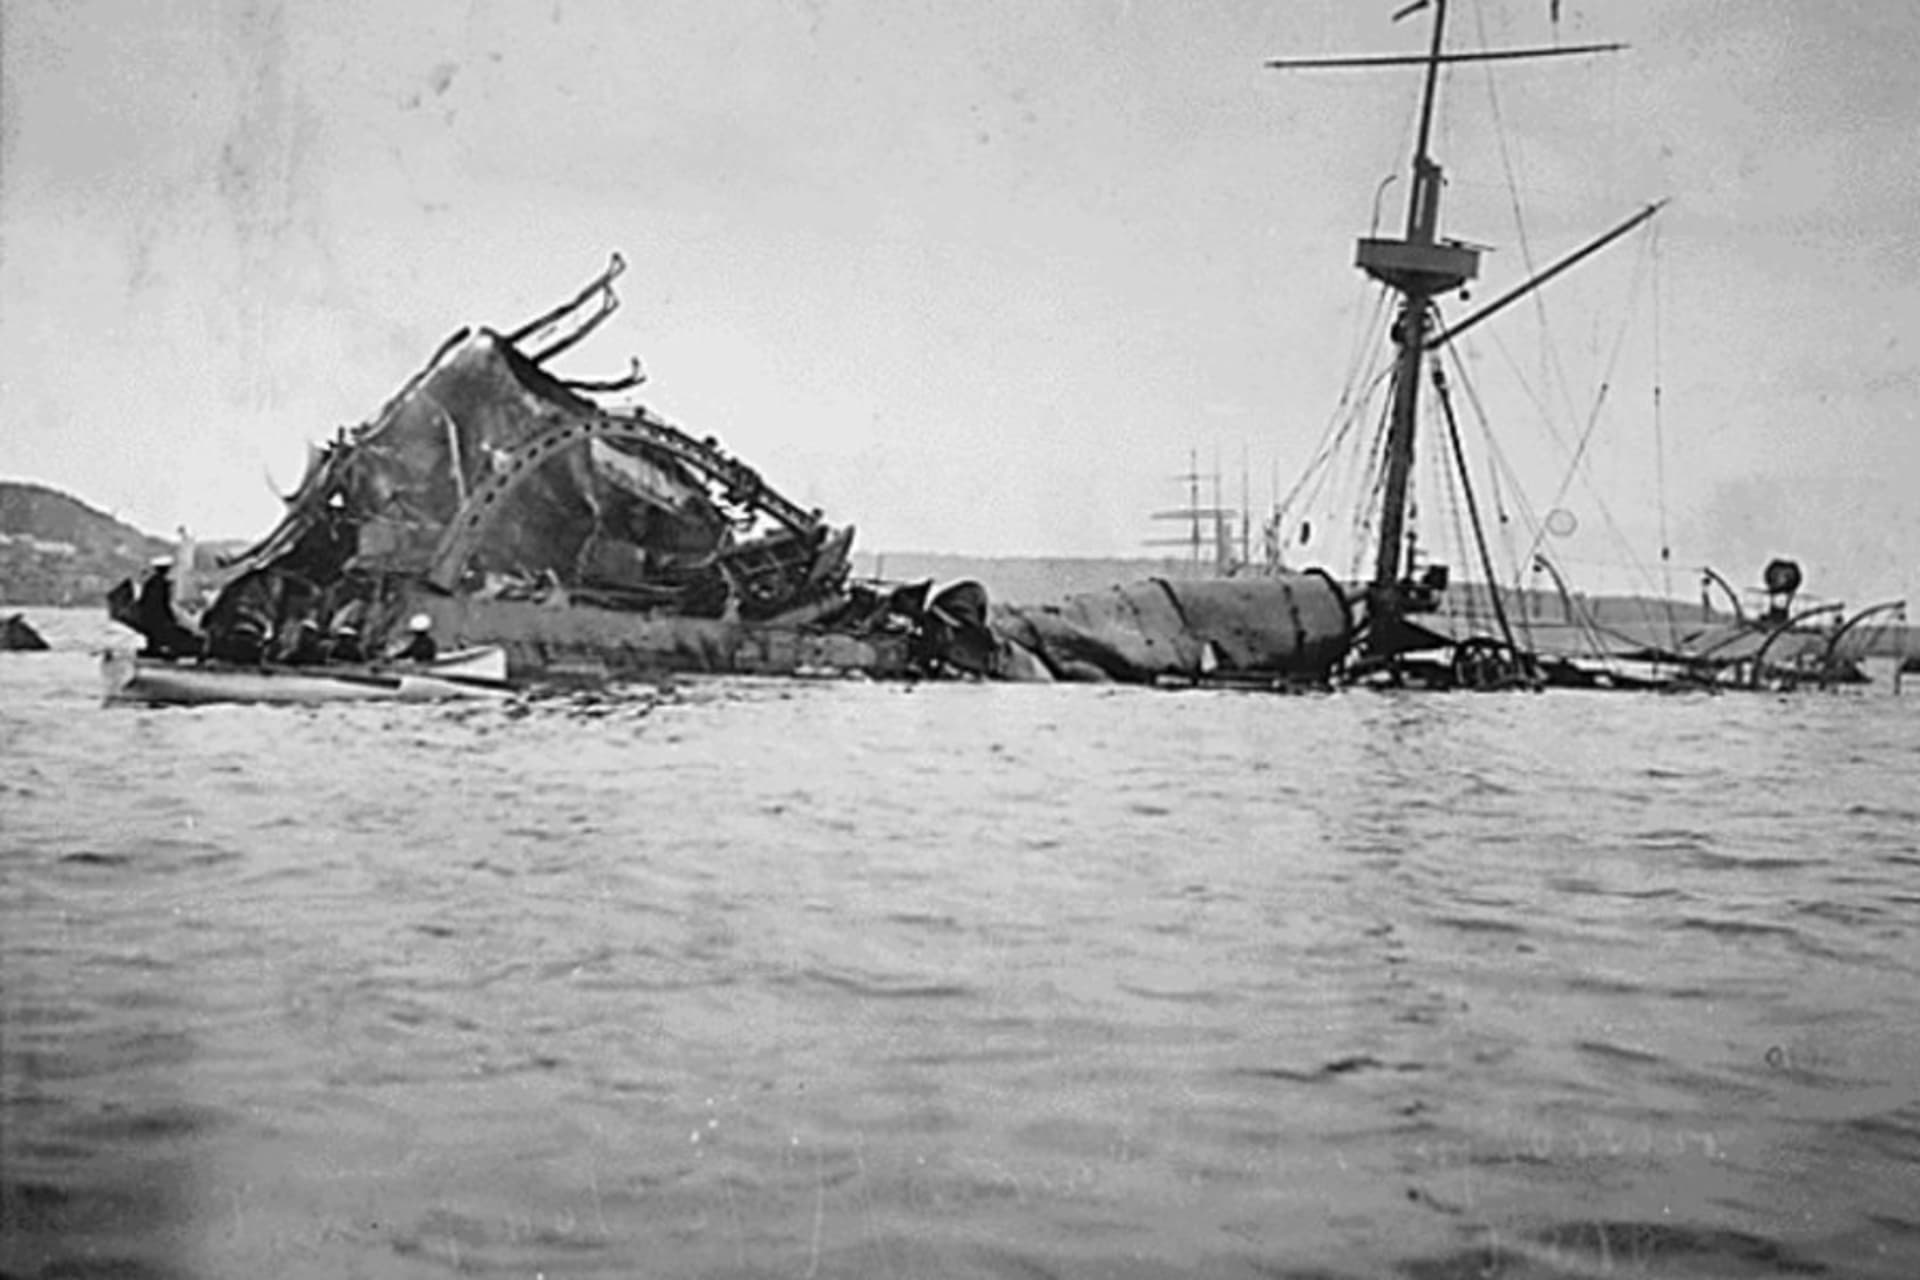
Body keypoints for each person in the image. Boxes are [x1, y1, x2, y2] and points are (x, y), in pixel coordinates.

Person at [136, 556, 201, 659]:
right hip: (157, 618)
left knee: (155, 635)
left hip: (149, 617)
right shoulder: (161, 584)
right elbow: (163, 604)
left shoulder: (152, 582)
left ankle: (154, 649)